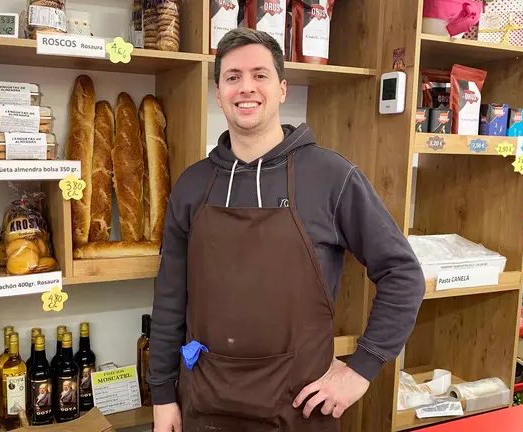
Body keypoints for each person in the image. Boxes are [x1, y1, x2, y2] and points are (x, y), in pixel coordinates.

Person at [148, 28, 426, 432]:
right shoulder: (192, 185)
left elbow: (403, 274)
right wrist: (162, 394)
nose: (246, 87)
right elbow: (169, 297)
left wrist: (361, 370)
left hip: (300, 409)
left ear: (281, 89)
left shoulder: (332, 176)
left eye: (259, 75)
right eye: (232, 77)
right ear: (218, 92)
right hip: (205, 406)